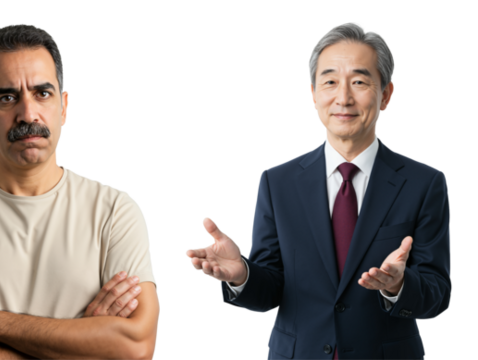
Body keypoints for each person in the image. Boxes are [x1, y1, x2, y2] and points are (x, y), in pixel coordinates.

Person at [184, 22, 452, 360]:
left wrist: (399, 285)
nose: (343, 97)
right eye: (329, 82)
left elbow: (439, 294)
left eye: (359, 81)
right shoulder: (277, 182)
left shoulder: (424, 183)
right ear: (313, 95)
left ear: (386, 95)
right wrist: (242, 275)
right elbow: (270, 290)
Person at [0, 23, 160, 360]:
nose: (27, 114)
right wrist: (83, 343)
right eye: (7, 97)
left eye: (42, 93)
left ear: (64, 107)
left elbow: (136, 347)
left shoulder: (116, 211)